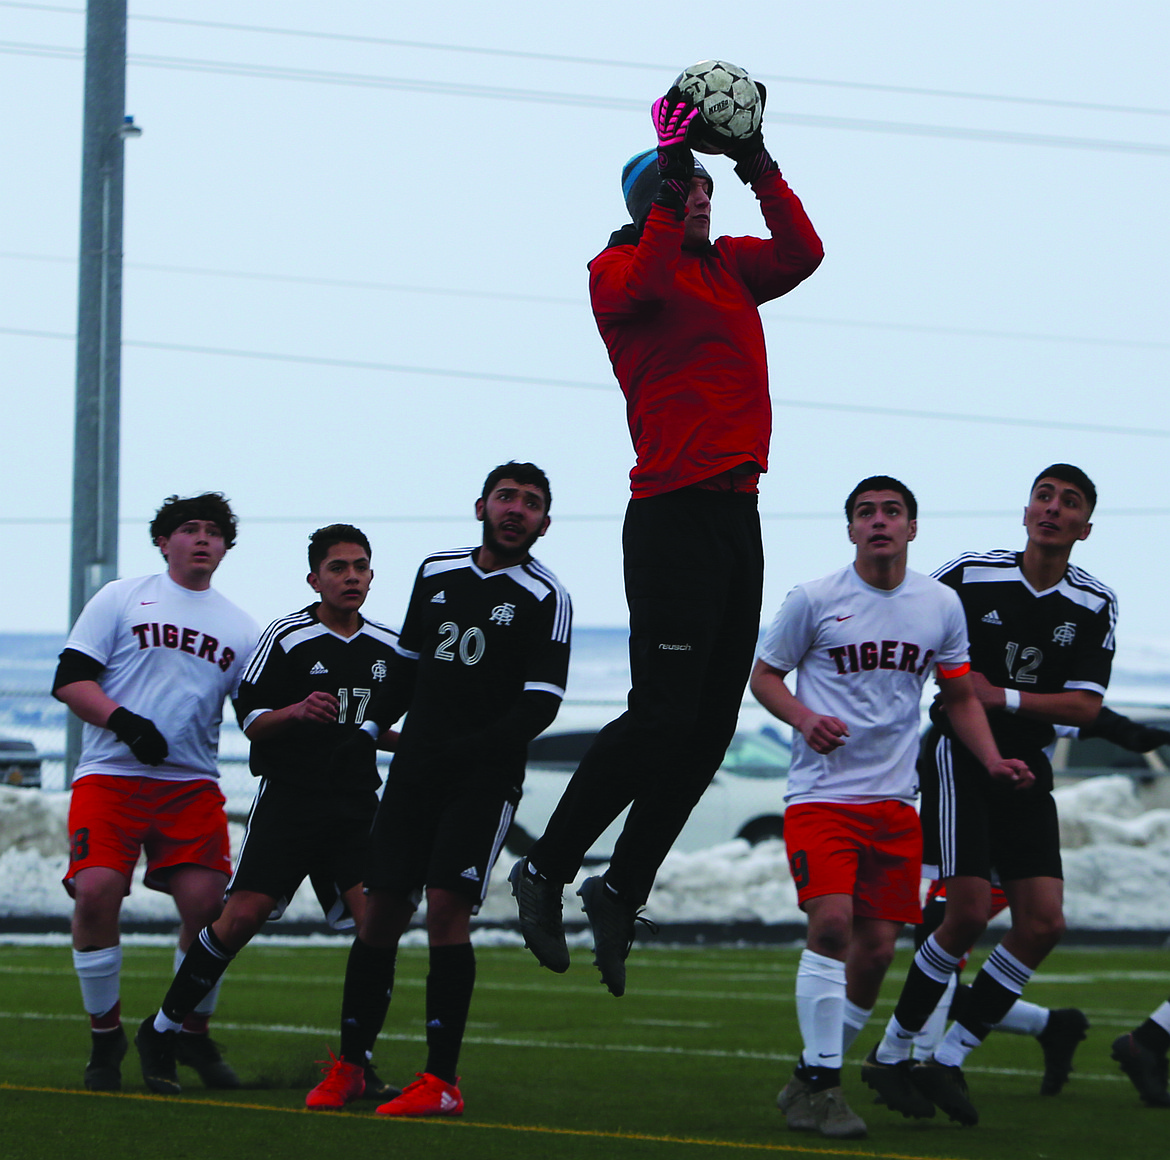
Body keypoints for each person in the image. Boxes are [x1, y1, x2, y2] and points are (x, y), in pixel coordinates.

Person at [511, 75, 824, 998]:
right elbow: (644, 279)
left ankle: (622, 888)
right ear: (651, 201)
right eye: (687, 192)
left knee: (709, 727)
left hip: (736, 513)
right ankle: (546, 866)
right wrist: (671, 170)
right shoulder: (618, 271)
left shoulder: (728, 264)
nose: (703, 202)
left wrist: (755, 163)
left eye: (705, 193)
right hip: (673, 515)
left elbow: (804, 254)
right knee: (661, 715)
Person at [750, 476, 1030, 1139]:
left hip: (894, 804)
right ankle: (823, 1086)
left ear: (912, 527)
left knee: (875, 953)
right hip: (821, 797)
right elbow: (764, 675)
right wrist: (804, 716)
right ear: (850, 530)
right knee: (832, 928)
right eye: (866, 513)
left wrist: (991, 760)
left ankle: (807, 1075)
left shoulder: (939, 604)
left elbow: (959, 695)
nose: (879, 521)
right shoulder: (814, 599)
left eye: (892, 512)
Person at [304, 462, 571, 1117]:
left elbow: (542, 702)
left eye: (531, 503)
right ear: (481, 504)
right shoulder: (436, 572)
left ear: (544, 522)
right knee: (383, 911)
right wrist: (367, 729)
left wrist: (476, 749)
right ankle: (352, 1067)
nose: (516, 509)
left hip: (482, 780)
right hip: (416, 773)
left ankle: (442, 1083)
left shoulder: (546, 596)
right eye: (507, 497)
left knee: (447, 910)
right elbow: (406, 669)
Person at [862, 464, 1118, 1126]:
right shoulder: (971, 575)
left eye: (1068, 503)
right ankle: (891, 1056)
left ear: (1084, 527)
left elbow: (1086, 707)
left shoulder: (1094, 602)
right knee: (967, 910)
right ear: (1026, 510)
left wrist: (1001, 694)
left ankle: (947, 1058)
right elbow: (909, 625)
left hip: (1027, 764)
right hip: (961, 757)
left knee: (1043, 923)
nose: (1052, 509)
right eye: (1043, 496)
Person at [133, 524, 401, 1097]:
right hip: (292, 800)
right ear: (314, 578)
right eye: (338, 567)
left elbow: (378, 727)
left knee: (377, 925)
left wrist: (422, 742)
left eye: (360, 566)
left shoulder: (388, 647)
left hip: (356, 807)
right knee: (240, 920)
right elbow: (251, 720)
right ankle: (160, 1031)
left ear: (372, 576)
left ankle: (357, 1062)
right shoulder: (285, 636)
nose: (350, 576)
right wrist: (298, 711)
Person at [52, 493, 259, 1092]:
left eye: (214, 532)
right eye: (188, 529)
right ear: (163, 541)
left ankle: (185, 1036)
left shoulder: (243, 627)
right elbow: (70, 680)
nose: (202, 539)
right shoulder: (121, 596)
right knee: (96, 891)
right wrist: (125, 722)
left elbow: (255, 715)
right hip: (110, 776)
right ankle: (104, 1038)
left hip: (190, 784)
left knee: (207, 911)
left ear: (225, 547)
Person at [1113, 1001, 1170, 1107]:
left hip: (1148, 1047)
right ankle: (1136, 1045)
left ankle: (1134, 1044)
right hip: (1145, 1048)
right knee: (1157, 1098)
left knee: (1157, 1096)